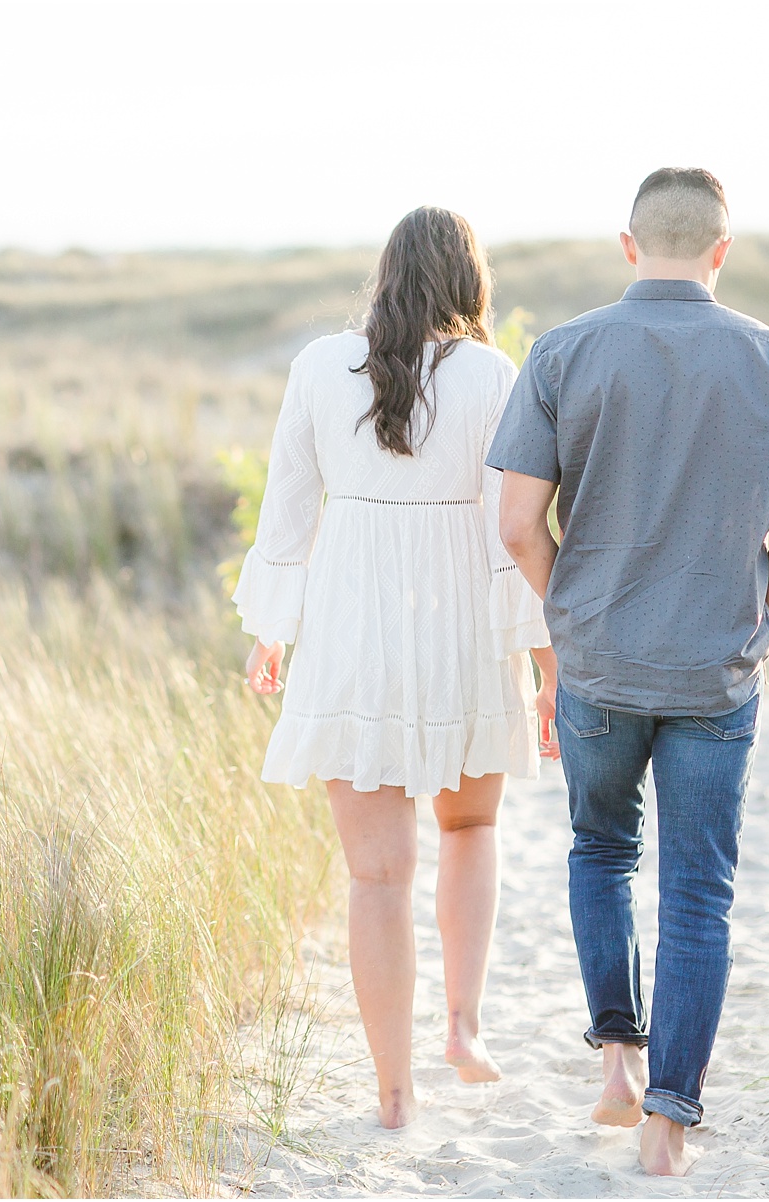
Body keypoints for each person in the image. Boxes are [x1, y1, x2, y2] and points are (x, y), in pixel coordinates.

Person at [489, 168, 769, 1176]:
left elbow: (517, 523)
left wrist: (576, 625)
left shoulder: (560, 351)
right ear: (722, 250)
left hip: (599, 662)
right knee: (699, 891)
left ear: (629, 244)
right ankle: (668, 1126)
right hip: (715, 672)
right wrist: (752, 626)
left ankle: (617, 1062)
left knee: (601, 850)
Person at [234, 206, 557, 1130]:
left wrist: (274, 630)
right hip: (460, 627)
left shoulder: (314, 367)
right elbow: (515, 534)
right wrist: (545, 665)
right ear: (470, 283)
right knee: (470, 830)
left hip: (350, 631)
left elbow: (285, 514)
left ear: (386, 274)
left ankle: (395, 1092)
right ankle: (463, 1024)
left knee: (376, 879)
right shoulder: (494, 375)